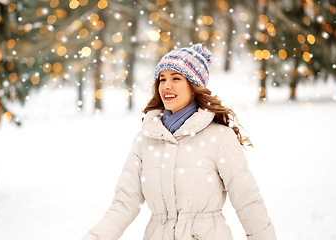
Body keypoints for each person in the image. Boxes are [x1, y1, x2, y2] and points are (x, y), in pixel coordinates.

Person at [81, 43, 277, 240]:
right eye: (162, 79)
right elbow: (124, 204)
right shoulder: (145, 140)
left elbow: (248, 201)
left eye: (176, 78)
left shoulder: (220, 138)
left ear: (194, 88)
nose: (166, 85)